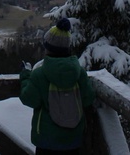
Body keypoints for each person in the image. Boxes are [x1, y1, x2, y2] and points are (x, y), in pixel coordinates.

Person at [19, 18, 95, 155]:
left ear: (48, 47)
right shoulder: (79, 73)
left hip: (47, 141)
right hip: (73, 140)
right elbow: (88, 98)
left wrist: (25, 76)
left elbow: (28, 99)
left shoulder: (39, 75)